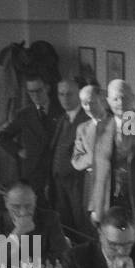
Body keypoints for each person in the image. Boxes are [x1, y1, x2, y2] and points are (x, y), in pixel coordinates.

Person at [71, 78, 135, 234]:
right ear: (108, 101)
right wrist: (94, 206)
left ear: (133, 98)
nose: (120, 102)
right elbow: (98, 171)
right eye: (115, 98)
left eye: (124, 97)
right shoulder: (102, 127)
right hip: (110, 204)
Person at [0, 76, 61, 204]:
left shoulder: (60, 110)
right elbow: (3, 136)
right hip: (33, 170)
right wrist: (19, 150)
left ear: (47, 88)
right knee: (36, 209)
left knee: (59, 211)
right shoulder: (24, 114)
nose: (35, 95)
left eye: (38, 90)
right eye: (31, 92)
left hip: (55, 169)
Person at [50, 81, 92, 240]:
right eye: (61, 94)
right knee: (65, 225)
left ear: (79, 95)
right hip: (60, 182)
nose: (65, 98)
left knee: (82, 225)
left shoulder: (87, 117)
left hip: (78, 181)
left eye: (69, 94)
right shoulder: (62, 118)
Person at [0, 182, 70, 268]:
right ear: (6, 202)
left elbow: (61, 256)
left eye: (28, 206)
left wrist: (27, 265)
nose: (23, 212)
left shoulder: (50, 219)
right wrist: (17, 233)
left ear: (35, 200)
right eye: (16, 207)